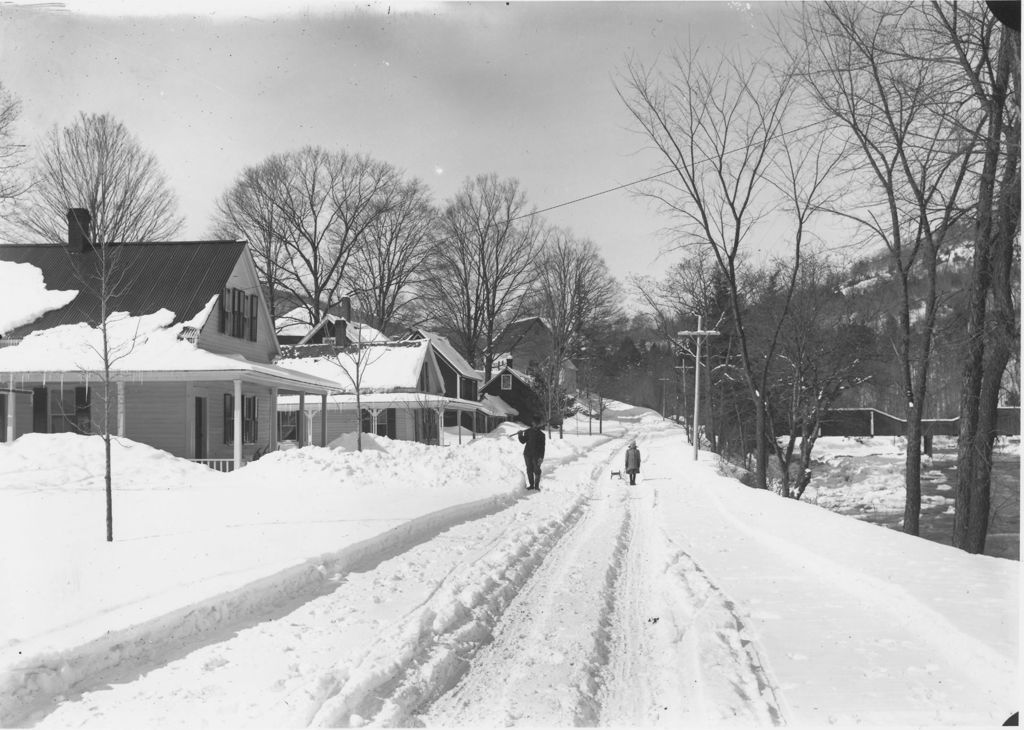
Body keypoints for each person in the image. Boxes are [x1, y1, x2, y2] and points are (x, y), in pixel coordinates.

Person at [517, 416, 546, 491]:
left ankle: (536, 486)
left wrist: (541, 457)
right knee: (529, 469)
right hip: (527, 454)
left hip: (537, 455)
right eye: (533, 422)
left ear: (538, 424)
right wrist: (520, 435)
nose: (534, 424)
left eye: (536, 423)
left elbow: (542, 448)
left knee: (537, 470)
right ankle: (531, 485)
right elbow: (523, 441)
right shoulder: (528, 431)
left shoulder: (542, 435)